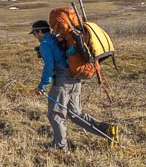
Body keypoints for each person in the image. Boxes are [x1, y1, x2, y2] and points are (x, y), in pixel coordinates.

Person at [30, 20, 118, 152]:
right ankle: (106, 129)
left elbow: (49, 67)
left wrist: (42, 86)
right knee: (76, 114)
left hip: (62, 81)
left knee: (55, 114)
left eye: (35, 34)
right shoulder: (57, 38)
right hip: (74, 78)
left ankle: (59, 148)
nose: (35, 37)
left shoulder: (45, 43)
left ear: (40, 32)